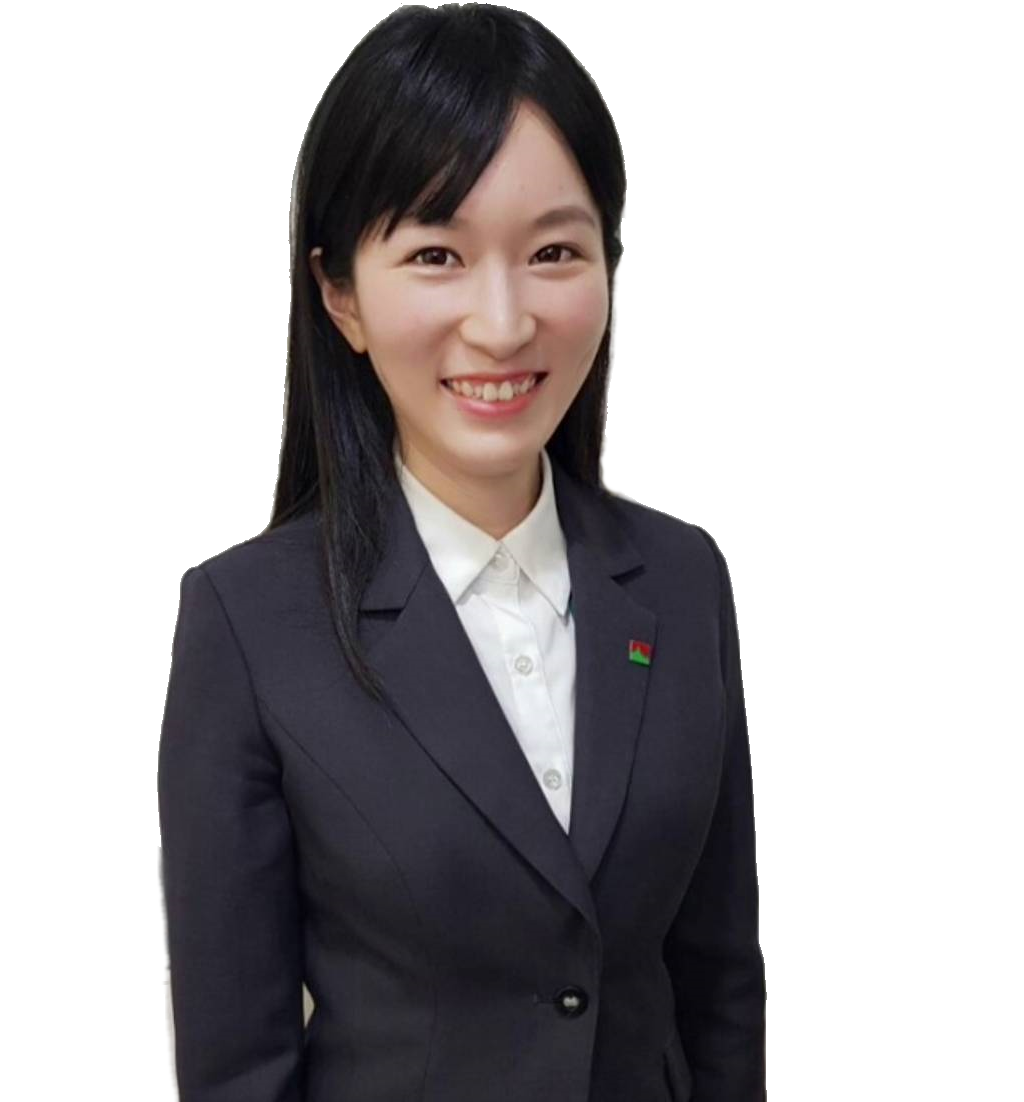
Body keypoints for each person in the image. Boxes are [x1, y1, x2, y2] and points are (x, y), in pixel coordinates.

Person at [157, 1, 766, 1099]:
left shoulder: (682, 579)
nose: (501, 322)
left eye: (553, 251)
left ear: (607, 266)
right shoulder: (249, 624)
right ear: (341, 295)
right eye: (435, 253)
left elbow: (717, 976)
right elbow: (238, 1063)